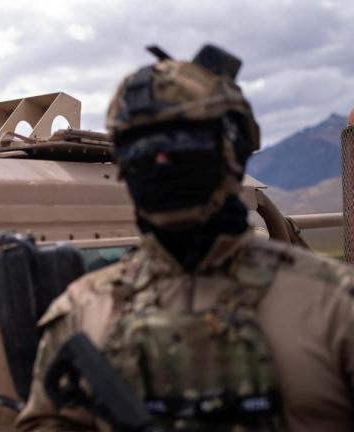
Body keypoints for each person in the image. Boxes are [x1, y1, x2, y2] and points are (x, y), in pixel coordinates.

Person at [17, 46, 354, 431]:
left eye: (183, 140)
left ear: (234, 152)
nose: (161, 160)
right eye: (141, 146)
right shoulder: (83, 311)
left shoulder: (333, 307)